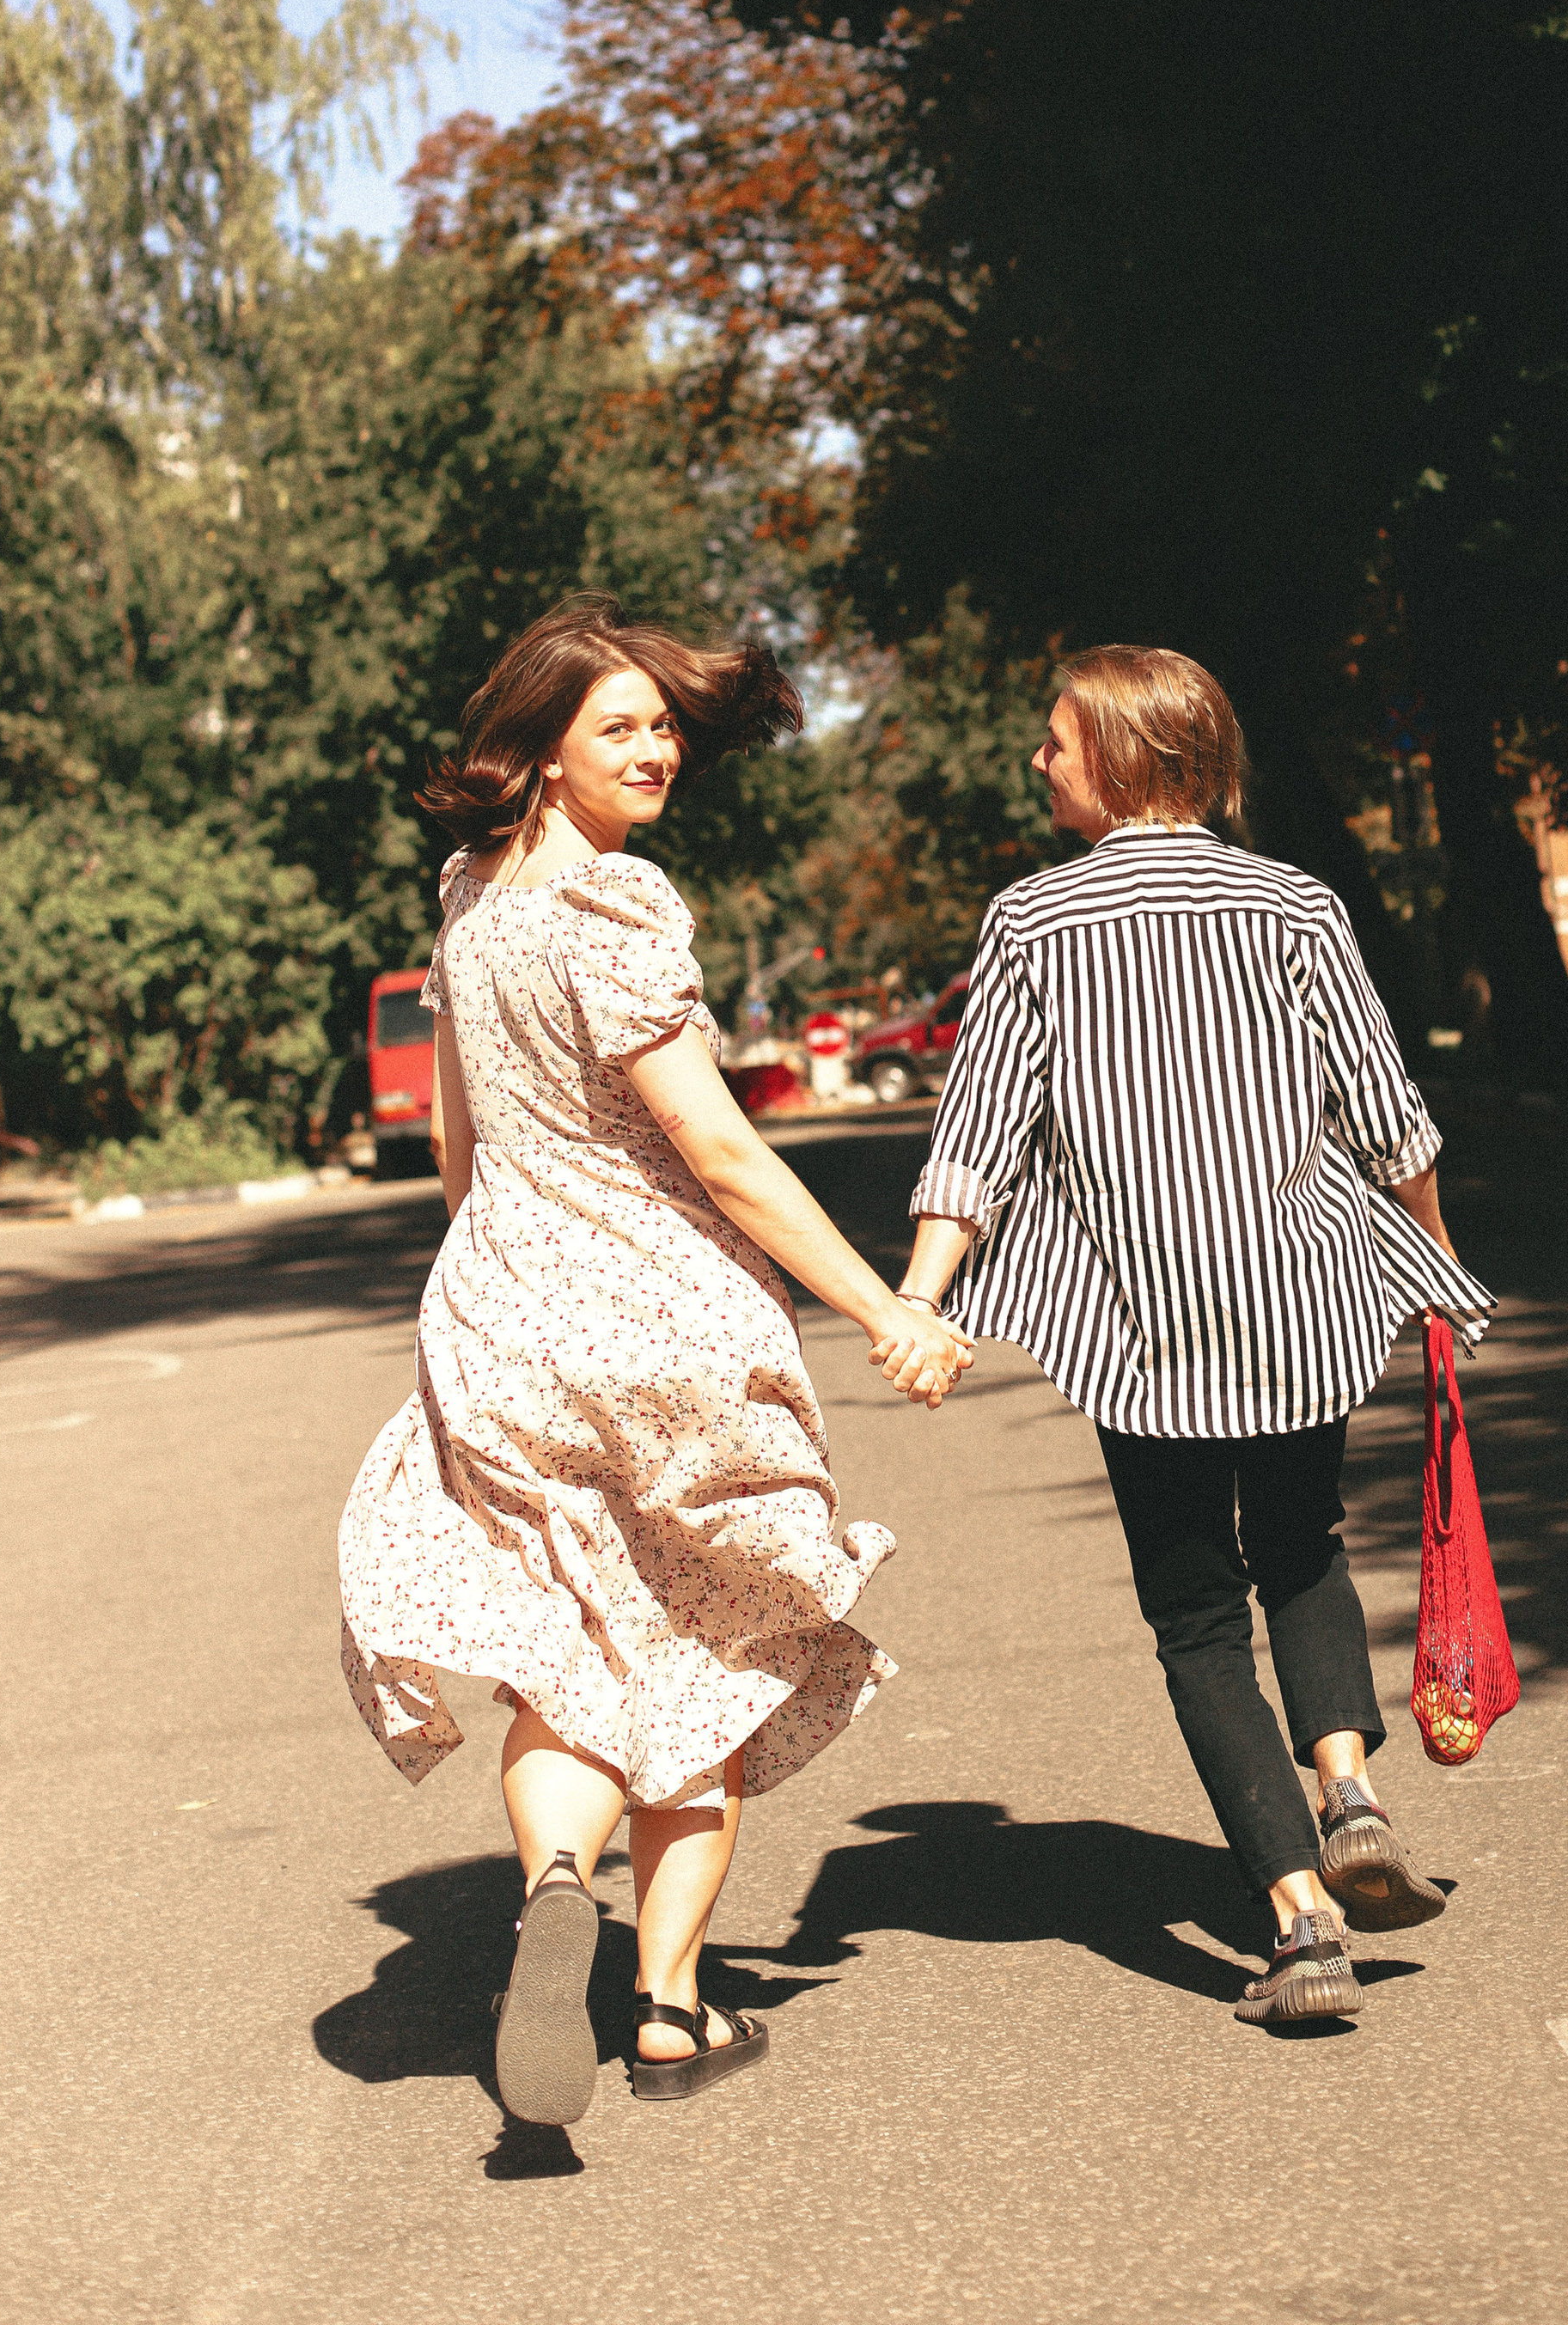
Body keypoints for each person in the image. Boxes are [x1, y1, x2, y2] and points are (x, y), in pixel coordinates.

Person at [339, 595, 970, 2125]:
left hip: (499, 1314)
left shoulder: (471, 898)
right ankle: (672, 2008)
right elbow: (718, 1143)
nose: (656, 748)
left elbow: (456, 1130)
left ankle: (561, 1877)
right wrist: (881, 1303)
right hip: (665, 1316)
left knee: (568, 1644)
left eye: (665, 724)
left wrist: (492, 1259)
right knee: (717, 1638)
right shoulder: (617, 910)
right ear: (544, 754)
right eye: (617, 725)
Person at [894, 645, 1495, 2030]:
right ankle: (1346, 1786)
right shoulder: (1295, 903)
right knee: (1304, 1543)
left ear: (1122, 753)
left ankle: (1301, 1928)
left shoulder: (1036, 922)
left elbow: (979, 1132)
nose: (1037, 761)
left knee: (1196, 1613)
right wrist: (1440, 1255)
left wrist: (925, 1294)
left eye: (1055, 741)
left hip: (1142, 1319)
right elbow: (1388, 1111)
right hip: (1298, 1290)